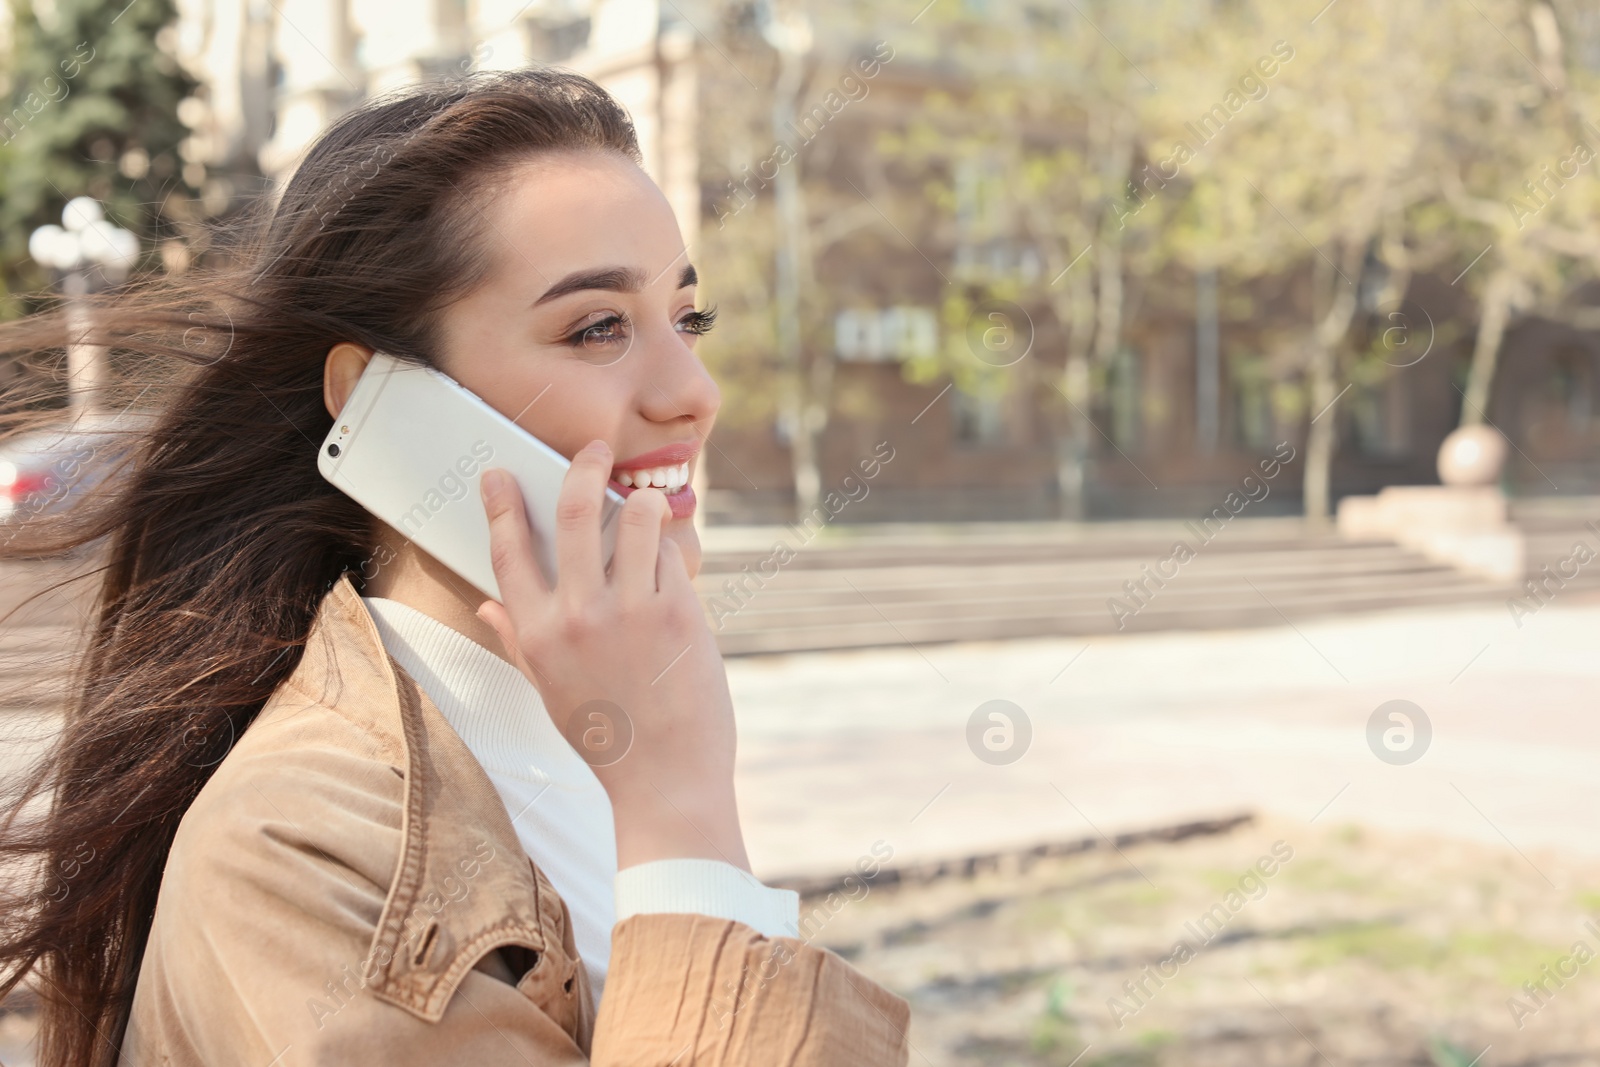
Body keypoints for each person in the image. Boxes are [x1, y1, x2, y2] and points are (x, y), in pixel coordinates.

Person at [0, 69, 910, 1066]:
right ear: (376, 403)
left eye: (686, 319)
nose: (694, 392)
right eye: (597, 327)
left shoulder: (589, 754)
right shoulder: (293, 848)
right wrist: (680, 810)